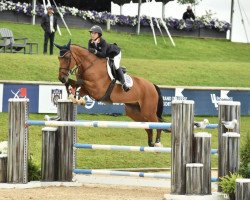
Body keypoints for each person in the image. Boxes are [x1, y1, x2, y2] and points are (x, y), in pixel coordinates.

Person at [88, 25, 130, 92]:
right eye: (92, 33)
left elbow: (103, 54)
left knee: (116, 65)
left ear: (99, 34)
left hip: (115, 53)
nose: (92, 35)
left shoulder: (103, 42)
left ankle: (124, 84)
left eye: (94, 33)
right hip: (107, 54)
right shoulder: (90, 41)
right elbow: (89, 52)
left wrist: (95, 51)